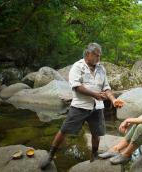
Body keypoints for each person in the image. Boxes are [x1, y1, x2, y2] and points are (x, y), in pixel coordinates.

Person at [39, 42, 124, 170]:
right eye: (96, 55)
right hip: (80, 106)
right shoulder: (77, 67)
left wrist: (113, 99)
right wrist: (95, 94)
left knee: (96, 133)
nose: (98, 58)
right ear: (88, 54)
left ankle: (94, 156)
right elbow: (77, 86)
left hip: (97, 107)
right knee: (64, 130)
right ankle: (50, 155)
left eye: (100, 56)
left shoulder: (101, 68)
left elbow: (106, 87)